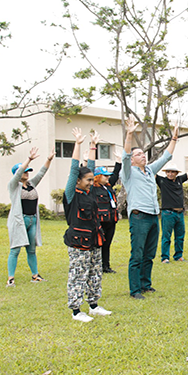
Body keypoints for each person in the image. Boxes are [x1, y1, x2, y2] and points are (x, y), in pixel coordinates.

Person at [121, 115, 181, 299]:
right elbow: (124, 156)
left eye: (143, 154)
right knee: (137, 254)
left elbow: (166, 157)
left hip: (154, 216)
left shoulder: (149, 170)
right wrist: (130, 134)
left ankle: (145, 284)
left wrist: (174, 139)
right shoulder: (128, 172)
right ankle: (135, 290)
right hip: (139, 217)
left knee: (149, 254)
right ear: (132, 159)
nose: (142, 156)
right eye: (138, 154)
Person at [62, 128, 110, 322]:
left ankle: (93, 305)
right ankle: (76, 311)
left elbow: (90, 165)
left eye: (92, 180)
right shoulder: (71, 194)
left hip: (94, 239)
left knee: (94, 273)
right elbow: (74, 169)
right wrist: (78, 144)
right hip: (78, 241)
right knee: (78, 274)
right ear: (78, 181)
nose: (92, 183)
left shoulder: (89, 192)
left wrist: (93, 146)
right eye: (88, 180)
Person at [6, 146, 54, 287]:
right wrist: (29, 159)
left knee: (31, 250)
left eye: (28, 171)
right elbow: (18, 173)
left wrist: (48, 159)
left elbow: (41, 173)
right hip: (19, 221)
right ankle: (10, 278)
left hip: (32, 220)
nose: (27, 173)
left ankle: (35, 275)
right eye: (25, 171)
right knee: (15, 249)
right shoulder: (13, 186)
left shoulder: (32, 184)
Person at [87, 140, 122, 275]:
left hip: (111, 220)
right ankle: (95, 266)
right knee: (97, 244)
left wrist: (118, 161)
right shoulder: (92, 189)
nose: (108, 178)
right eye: (104, 176)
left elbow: (115, 174)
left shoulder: (108, 187)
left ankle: (105, 266)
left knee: (107, 244)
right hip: (99, 221)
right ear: (97, 177)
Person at [156, 163, 188, 264]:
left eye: (172, 172)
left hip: (180, 213)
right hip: (168, 213)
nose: (170, 174)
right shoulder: (162, 181)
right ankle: (165, 257)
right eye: (168, 172)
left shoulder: (180, 180)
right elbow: (151, 172)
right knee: (166, 236)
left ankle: (178, 255)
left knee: (180, 236)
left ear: (176, 173)